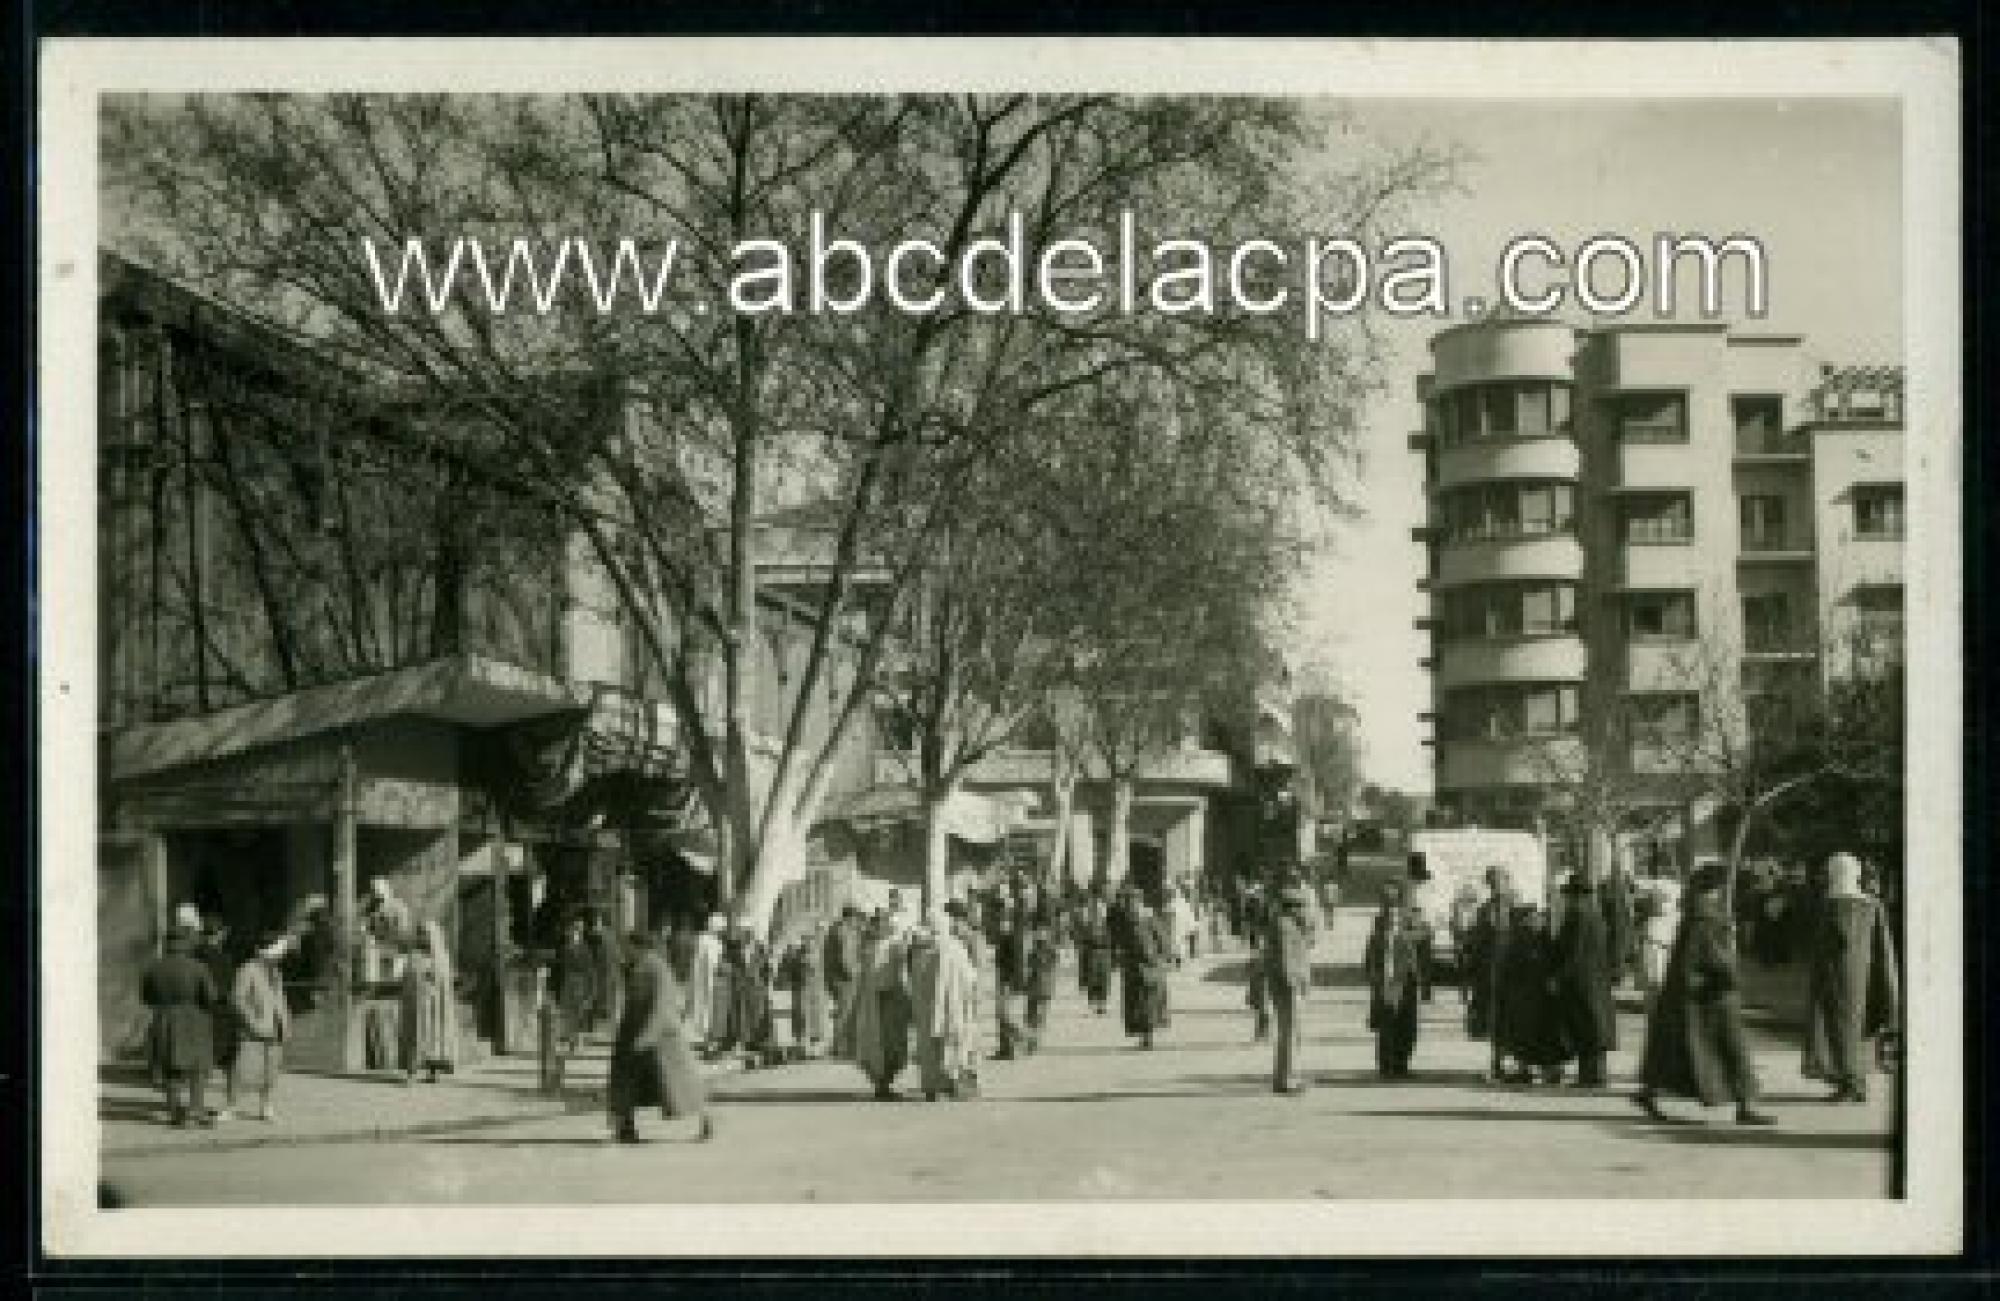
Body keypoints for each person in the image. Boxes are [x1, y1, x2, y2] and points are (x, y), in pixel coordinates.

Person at [1633, 864, 1776, 1125]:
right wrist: (1729, 974)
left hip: (1696, 993)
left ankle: (1649, 1091)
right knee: (1732, 1050)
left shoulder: (1696, 916)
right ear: (1715, 889)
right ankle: (1746, 1106)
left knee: (1676, 1049)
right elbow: (1710, 957)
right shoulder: (1706, 919)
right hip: (1712, 995)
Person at [1802, 852, 1900, 1103]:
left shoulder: (1833, 904)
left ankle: (1850, 1084)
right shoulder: (1872, 904)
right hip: (1864, 976)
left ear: (1834, 873)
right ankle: (1856, 1083)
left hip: (1836, 976)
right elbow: (1882, 945)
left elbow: (1832, 942)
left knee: (1840, 1029)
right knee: (1859, 1030)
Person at [605, 932, 712, 1144]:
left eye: (628, 947)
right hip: (633, 1033)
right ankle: (625, 1127)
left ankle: (706, 1121)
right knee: (625, 1083)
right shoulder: (635, 966)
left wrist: (650, 1034)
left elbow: (662, 1003)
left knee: (679, 1084)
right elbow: (629, 997)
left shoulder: (656, 967)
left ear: (639, 947)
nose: (625, 951)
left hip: (662, 1038)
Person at [141, 921, 222, 1126]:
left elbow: (146, 998)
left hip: (165, 1019)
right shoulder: (198, 967)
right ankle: (196, 1110)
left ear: (167, 943)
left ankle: (175, 1112)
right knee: (198, 1068)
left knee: (171, 1067)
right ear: (185, 943)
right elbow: (211, 997)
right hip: (194, 1020)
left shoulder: (153, 968)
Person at [1551, 875, 1618, 1088]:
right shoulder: (1596, 916)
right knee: (1594, 1025)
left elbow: (1574, 952)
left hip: (1581, 980)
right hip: (1596, 978)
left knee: (1586, 1026)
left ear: (1577, 896)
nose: (1568, 900)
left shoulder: (1577, 917)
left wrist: (1558, 977)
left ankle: (1591, 1077)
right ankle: (1595, 1075)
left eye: (1570, 896)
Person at [907, 917, 981, 1101]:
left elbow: (912, 979)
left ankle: (931, 1088)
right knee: (951, 1045)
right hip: (953, 1007)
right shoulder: (956, 949)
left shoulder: (920, 950)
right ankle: (949, 1085)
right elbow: (970, 978)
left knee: (928, 1046)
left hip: (926, 1008)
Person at [1495, 903, 1569, 1085]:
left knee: (1538, 1034)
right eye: (1534, 918)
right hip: (1529, 997)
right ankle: (1532, 1069)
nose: (1538, 920)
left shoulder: (1539, 939)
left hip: (1537, 997)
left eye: (1539, 917)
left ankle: (1544, 1070)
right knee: (1532, 1035)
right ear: (1525, 921)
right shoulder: (1524, 940)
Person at [843, 912, 914, 1100]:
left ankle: (884, 1083)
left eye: (883, 923)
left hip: (890, 1000)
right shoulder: (870, 948)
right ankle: (881, 1085)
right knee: (878, 1044)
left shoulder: (893, 945)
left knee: (893, 1043)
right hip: (876, 1002)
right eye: (878, 924)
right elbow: (864, 977)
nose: (881, 927)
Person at [228, 929, 293, 1122]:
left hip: (275, 1027)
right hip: (254, 1028)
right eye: (272, 950)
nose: (277, 955)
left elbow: (281, 998)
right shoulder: (247, 969)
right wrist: (252, 1021)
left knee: (271, 1070)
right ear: (259, 950)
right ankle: (231, 1106)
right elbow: (238, 999)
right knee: (243, 1068)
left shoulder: (276, 972)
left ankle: (266, 1106)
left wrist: (286, 1022)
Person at [1364, 889, 1424, 1079]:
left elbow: (1423, 936)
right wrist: (1375, 980)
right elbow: (1370, 959)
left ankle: (1401, 1064)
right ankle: (1386, 1065)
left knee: (1406, 1024)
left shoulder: (1409, 930)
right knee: (1387, 1025)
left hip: (1406, 982)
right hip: (1386, 983)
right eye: (1389, 911)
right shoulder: (1378, 935)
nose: (1393, 916)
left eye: (1396, 911)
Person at [1464, 867, 1517, 1081]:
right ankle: (1497, 1063)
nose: (1495, 887)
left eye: (1498, 882)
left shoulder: (1517, 907)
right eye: (1492, 883)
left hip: (1512, 973)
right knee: (1493, 1019)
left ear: (1507, 882)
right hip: (1489, 972)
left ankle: (1516, 1065)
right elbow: (1477, 940)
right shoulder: (1485, 909)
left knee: (1512, 1019)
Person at [1263, 882, 1316, 1094]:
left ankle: (1284, 1076)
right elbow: (1286, 959)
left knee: (1289, 1032)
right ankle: (1288, 1079)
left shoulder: (1289, 925)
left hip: (1287, 984)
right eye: (1301, 906)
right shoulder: (1285, 926)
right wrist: (1293, 984)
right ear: (1291, 907)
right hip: (1289, 986)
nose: (1304, 911)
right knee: (1291, 1033)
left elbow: (1308, 942)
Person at [398, 920, 459, 1084]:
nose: (422, 937)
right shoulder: (414, 957)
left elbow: (445, 984)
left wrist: (433, 980)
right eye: (420, 933)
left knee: (435, 1036)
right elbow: (408, 979)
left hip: (436, 1008)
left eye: (425, 934)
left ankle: (434, 1071)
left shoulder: (441, 958)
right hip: (418, 1005)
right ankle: (411, 1072)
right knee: (416, 1034)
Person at [196, 916, 243, 1121]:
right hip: (224, 1014)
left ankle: (196, 1104)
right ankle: (230, 1105)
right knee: (230, 1064)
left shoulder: (195, 957)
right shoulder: (225, 960)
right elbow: (230, 988)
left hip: (204, 1013)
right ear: (221, 934)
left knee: (202, 1063)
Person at [1117, 895, 1169, 1050]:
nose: (1131, 906)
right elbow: (1122, 942)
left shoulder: (1150, 919)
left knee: (1149, 1001)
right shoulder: (1126, 921)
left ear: (1139, 902)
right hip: (1133, 967)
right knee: (1137, 1002)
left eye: (1133, 902)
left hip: (1150, 966)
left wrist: (1160, 957)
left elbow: (1163, 940)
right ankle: (1144, 1036)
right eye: (1129, 903)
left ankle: (1148, 1037)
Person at [778, 925, 831, 1060]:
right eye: (806, 940)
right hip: (802, 991)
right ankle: (803, 1047)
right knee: (803, 1018)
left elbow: (824, 973)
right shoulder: (797, 955)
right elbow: (789, 973)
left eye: (811, 939)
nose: (809, 942)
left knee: (816, 1019)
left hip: (816, 992)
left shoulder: (820, 954)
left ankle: (814, 1048)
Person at [551, 915, 599, 1055]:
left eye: (575, 930)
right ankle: (572, 1042)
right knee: (568, 1014)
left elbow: (590, 971)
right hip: (568, 983)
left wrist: (591, 990)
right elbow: (560, 968)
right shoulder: (565, 948)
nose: (572, 933)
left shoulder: (585, 949)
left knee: (579, 1014)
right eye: (571, 930)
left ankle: (577, 1042)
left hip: (580, 983)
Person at [823, 906, 864, 1052]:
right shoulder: (845, 931)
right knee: (846, 1012)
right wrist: (854, 973)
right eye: (856, 918)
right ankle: (842, 1047)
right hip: (844, 977)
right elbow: (846, 956)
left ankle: (840, 1045)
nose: (857, 921)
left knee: (842, 1011)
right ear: (850, 918)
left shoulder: (834, 930)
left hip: (834, 976)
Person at [683, 913, 726, 1049]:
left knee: (701, 1005)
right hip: (706, 977)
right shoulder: (710, 942)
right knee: (704, 1005)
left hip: (702, 977)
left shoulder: (702, 939)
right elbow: (711, 962)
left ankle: (700, 1035)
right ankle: (701, 1036)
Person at [1072, 891, 1115, 1016]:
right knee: (1093, 976)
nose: (1099, 911)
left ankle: (1102, 1003)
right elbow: (1080, 935)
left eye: (1101, 909)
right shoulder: (1087, 922)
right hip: (1092, 950)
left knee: (1104, 977)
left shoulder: (1109, 923)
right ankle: (1093, 1002)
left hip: (1105, 951)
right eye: (1097, 909)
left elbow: (1114, 937)